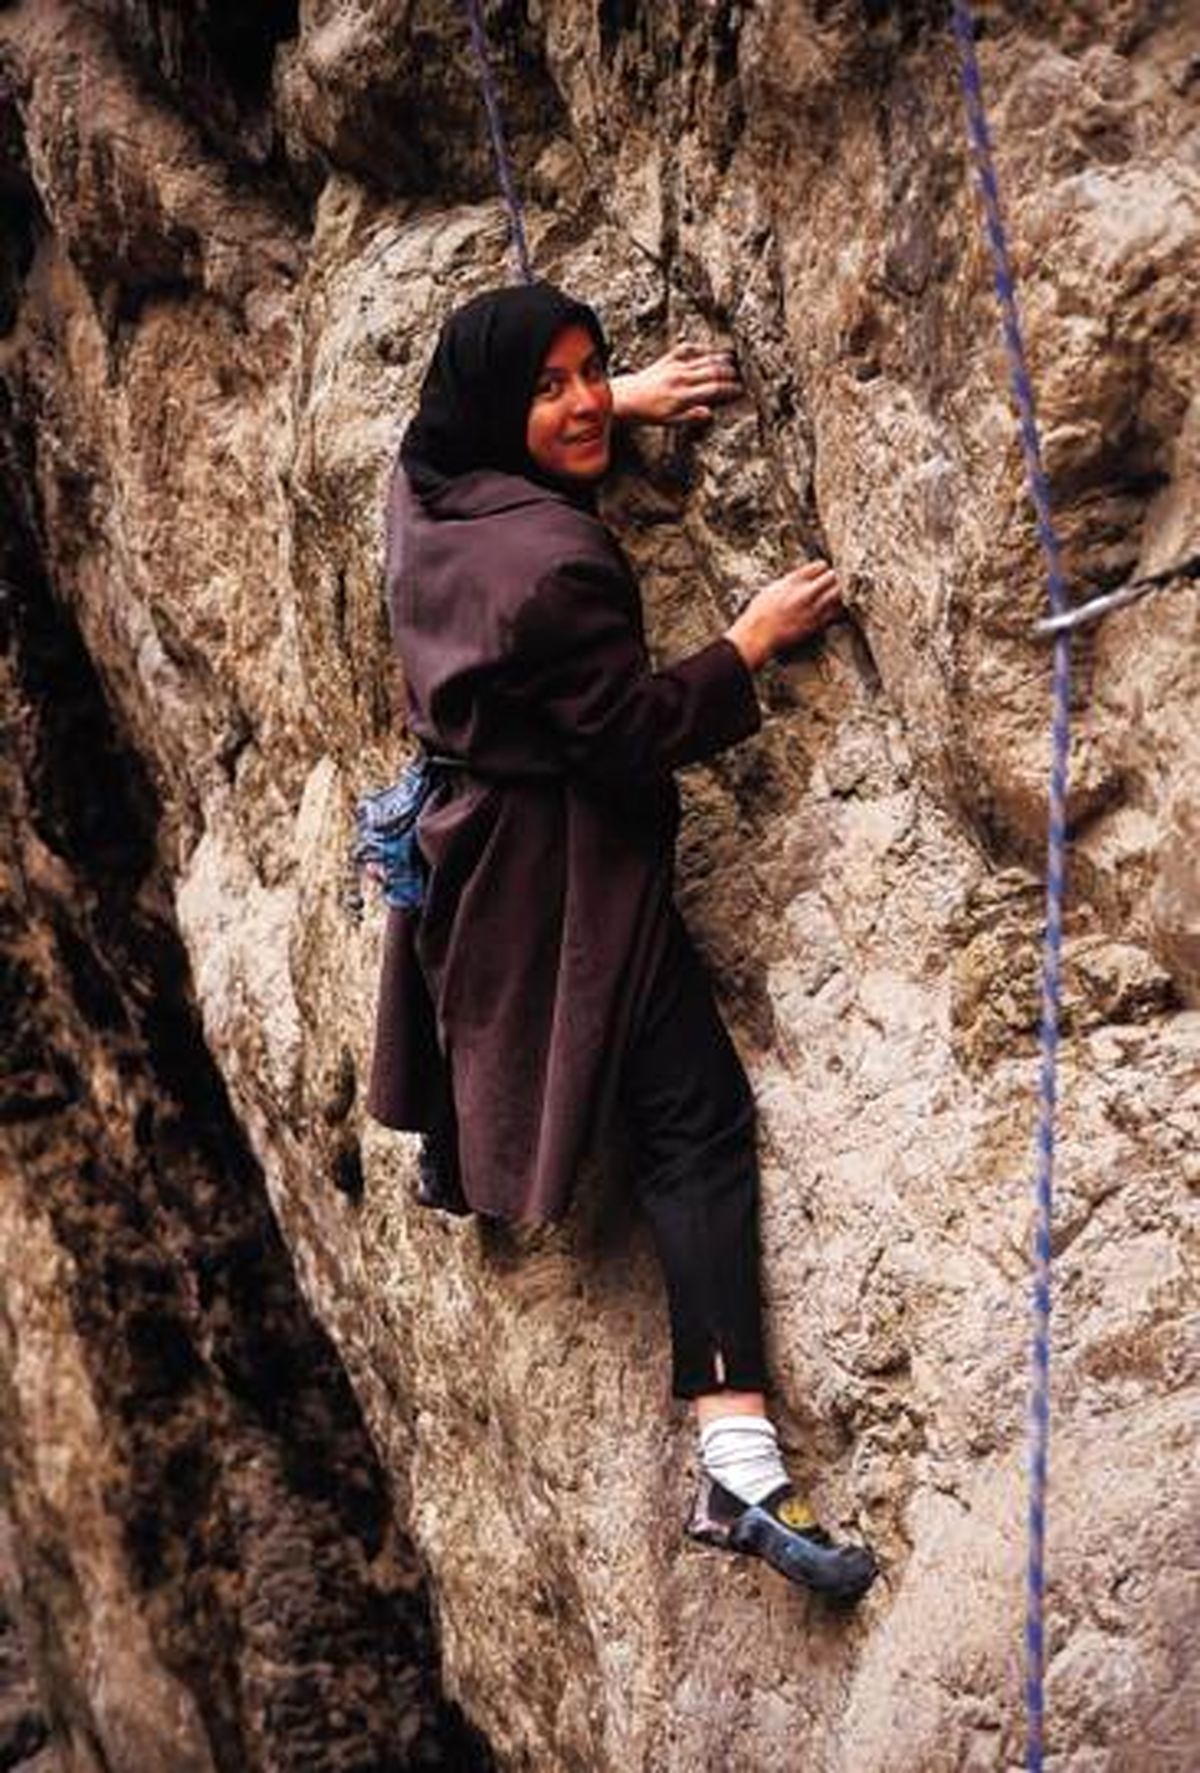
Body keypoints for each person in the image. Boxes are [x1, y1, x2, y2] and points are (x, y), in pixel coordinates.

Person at [367, 281, 877, 1603]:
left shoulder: (423, 498)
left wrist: (615, 407)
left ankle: (736, 1459)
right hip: (559, 874)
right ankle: (740, 1463)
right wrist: (748, 643)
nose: (587, 398)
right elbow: (630, 734)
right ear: (499, 409)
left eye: (591, 370)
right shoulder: (559, 564)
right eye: (552, 387)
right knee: (693, 1121)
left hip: (468, 846)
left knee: (637, 1098)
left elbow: (455, 443)